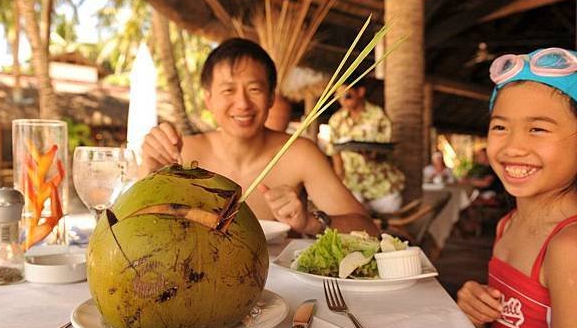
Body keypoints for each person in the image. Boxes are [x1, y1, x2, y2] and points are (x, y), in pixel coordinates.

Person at [141, 38, 377, 236]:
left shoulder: (298, 153)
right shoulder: (181, 154)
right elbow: (134, 228)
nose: (243, 104)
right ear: (208, 99)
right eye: (228, 90)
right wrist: (148, 175)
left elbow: (368, 230)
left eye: (254, 89)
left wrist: (310, 222)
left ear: (271, 98)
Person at [456, 47, 577, 328]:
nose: (512, 146)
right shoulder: (507, 224)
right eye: (499, 128)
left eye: (537, 129)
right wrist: (477, 311)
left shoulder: (570, 247)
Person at [326, 79, 405, 213]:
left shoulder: (378, 115)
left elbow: (387, 149)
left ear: (360, 92)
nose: (342, 101)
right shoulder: (335, 120)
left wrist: (375, 155)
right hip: (352, 188)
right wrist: (338, 187)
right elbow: (336, 156)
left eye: (347, 96)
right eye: (337, 97)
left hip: (383, 188)